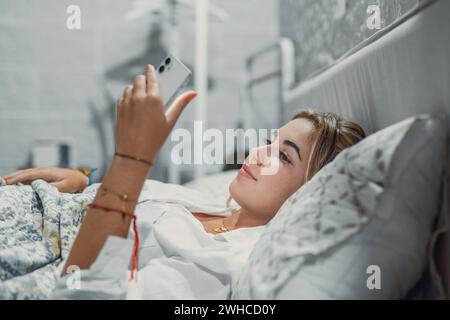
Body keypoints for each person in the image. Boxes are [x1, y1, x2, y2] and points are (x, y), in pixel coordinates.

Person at [2, 65, 366, 299]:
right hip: (37, 203)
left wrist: (131, 160)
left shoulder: (223, 263)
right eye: (270, 142)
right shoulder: (212, 203)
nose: (257, 153)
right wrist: (84, 180)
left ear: (309, 195)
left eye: (284, 156)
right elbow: (126, 205)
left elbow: (87, 292)